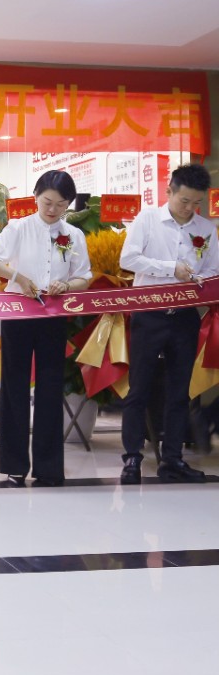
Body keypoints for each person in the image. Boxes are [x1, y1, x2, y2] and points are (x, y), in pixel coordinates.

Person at [0, 170, 92, 487]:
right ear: (36, 197)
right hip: (18, 314)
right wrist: (18, 277)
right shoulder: (18, 228)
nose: (52, 210)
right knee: (14, 386)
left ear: (69, 204)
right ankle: (14, 467)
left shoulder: (74, 235)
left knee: (51, 387)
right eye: (47, 202)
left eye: (61, 205)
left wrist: (67, 285)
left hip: (53, 315)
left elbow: (84, 277)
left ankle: (49, 468)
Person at [117, 163, 218, 484]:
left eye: (196, 203)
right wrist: (169, 268)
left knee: (179, 391)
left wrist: (200, 278)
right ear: (169, 191)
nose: (189, 208)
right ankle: (132, 458)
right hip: (149, 314)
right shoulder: (147, 219)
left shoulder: (206, 228)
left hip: (185, 318)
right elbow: (128, 259)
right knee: (139, 388)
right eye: (184, 201)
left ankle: (172, 460)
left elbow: (213, 270)